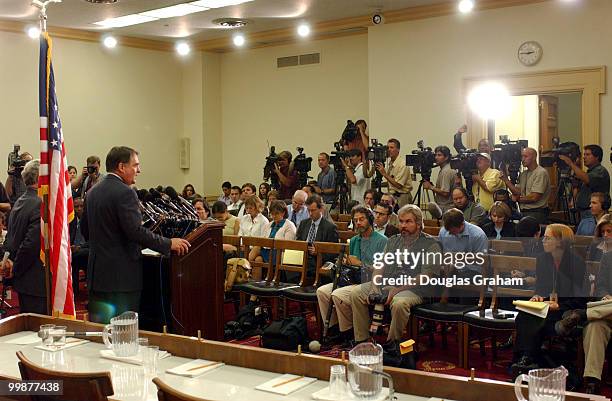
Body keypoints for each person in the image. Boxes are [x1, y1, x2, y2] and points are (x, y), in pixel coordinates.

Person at [81, 146, 190, 324]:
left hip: (97, 275)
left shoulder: (92, 192)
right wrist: (168, 243)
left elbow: (85, 231)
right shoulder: (125, 192)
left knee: (100, 332)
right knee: (123, 334)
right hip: (121, 279)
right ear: (121, 167)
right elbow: (135, 231)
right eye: (135, 165)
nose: (139, 170)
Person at [350, 205, 441, 344]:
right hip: (391, 282)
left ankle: (392, 344)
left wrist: (397, 290)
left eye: (408, 222)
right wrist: (375, 286)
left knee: (399, 302)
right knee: (357, 292)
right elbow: (380, 265)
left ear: (418, 223)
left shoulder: (431, 244)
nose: (403, 225)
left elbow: (426, 276)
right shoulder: (394, 240)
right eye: (401, 221)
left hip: (418, 289)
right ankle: (362, 340)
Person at [511, 224, 586, 378]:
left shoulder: (576, 262)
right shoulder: (543, 258)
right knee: (525, 314)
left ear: (559, 241)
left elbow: (580, 298)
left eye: (547, 238)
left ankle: (530, 357)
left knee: (538, 318)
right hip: (547, 305)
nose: (543, 241)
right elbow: (541, 287)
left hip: (566, 308)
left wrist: (558, 305)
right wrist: (538, 297)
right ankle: (526, 357)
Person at [317, 206, 388, 345]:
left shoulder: (382, 241)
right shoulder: (355, 240)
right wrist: (345, 262)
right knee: (322, 292)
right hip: (353, 278)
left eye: (362, 219)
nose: (358, 223)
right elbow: (352, 266)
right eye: (355, 220)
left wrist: (360, 263)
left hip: (370, 281)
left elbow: (382, 271)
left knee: (338, 294)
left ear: (370, 220)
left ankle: (347, 333)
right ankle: (334, 329)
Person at [3, 160, 47, 314]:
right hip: (35, 280)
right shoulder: (39, 204)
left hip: (24, 280)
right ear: (40, 179)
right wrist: (16, 267)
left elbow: (11, 236)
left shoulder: (19, 201)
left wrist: (10, 262)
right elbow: (31, 245)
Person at [559, 144, 610, 221]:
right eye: (584, 154)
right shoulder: (590, 172)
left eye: (588, 154)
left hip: (593, 213)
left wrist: (571, 163)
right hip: (585, 213)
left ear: (597, 157)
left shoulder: (600, 171)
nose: (584, 157)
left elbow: (587, 179)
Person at [501, 148, 551, 225]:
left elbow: (534, 197)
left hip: (536, 213)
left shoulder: (541, 172)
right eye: (522, 156)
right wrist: (506, 180)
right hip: (524, 212)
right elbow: (517, 192)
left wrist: (517, 199)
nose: (522, 159)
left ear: (534, 157)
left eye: (525, 156)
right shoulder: (523, 174)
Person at [296, 195, 339, 278]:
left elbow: (334, 252)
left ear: (321, 209)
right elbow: (298, 242)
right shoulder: (303, 223)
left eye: (313, 210)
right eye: (308, 210)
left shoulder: (330, 227)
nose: (310, 213)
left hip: (318, 260)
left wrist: (318, 252)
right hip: (302, 257)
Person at [438, 208, 488, 278]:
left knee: (453, 277)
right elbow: (440, 254)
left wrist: (456, 267)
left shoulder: (478, 235)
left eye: (453, 230)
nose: (450, 233)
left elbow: (480, 264)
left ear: (462, 224)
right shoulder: (443, 231)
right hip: (448, 267)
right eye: (448, 230)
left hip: (471, 271)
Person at [249, 200, 296, 273]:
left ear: (283, 213)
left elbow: (288, 245)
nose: (274, 216)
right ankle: (255, 283)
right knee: (258, 259)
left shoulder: (289, 226)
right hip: (268, 251)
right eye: (272, 214)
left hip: (279, 253)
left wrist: (270, 244)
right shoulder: (269, 224)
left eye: (276, 214)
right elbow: (263, 240)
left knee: (257, 248)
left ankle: (243, 266)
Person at [375, 139, 413, 206]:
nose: (389, 150)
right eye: (388, 148)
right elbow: (391, 181)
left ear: (398, 150)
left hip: (402, 197)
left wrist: (384, 173)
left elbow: (398, 185)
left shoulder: (403, 164)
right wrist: (379, 184)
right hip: (392, 196)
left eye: (392, 147)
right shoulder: (391, 163)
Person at [423, 146, 456, 213]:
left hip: (447, 208)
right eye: (435, 155)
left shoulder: (446, 171)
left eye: (439, 155)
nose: (436, 157)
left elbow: (445, 192)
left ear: (446, 157)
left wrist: (431, 187)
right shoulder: (445, 169)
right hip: (446, 206)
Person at [70, 197, 89, 297]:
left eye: (81, 206)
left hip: (86, 250)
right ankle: (74, 292)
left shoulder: (90, 221)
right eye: (76, 206)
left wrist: (80, 247)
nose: (79, 209)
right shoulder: (70, 221)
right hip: (73, 250)